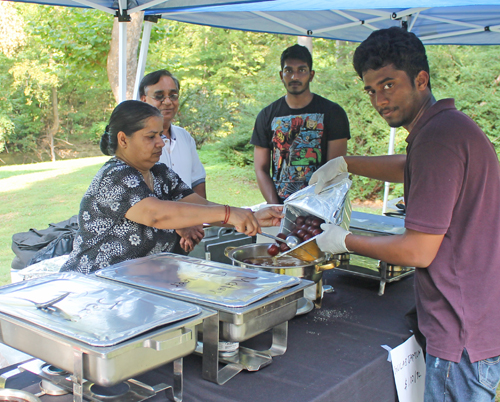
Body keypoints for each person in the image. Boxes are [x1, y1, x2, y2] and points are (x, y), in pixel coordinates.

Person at [310, 27, 500, 401]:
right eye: (370, 90)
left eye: (388, 85)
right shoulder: (447, 128)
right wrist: (346, 163)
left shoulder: (438, 140)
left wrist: (342, 241)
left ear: (420, 79)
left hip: (458, 331)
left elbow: (417, 252)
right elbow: (408, 165)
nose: (379, 99)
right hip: (478, 316)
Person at [61, 100, 281, 275]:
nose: (161, 142)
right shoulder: (115, 176)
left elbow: (198, 205)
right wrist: (228, 214)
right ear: (123, 139)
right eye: (151, 136)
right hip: (95, 287)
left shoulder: (160, 172)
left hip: (139, 286)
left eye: (160, 135)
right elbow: (157, 215)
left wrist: (249, 216)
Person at [251, 44, 350, 204]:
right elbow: (260, 169)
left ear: (311, 75)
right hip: (280, 207)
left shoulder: (333, 113)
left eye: (301, 70)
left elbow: (336, 169)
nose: (294, 76)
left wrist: (319, 207)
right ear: (281, 75)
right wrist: (276, 207)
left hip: (321, 207)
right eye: (288, 70)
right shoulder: (266, 115)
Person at [139, 69, 206, 253]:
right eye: (159, 96)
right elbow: (143, 194)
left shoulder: (184, 137)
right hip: (149, 241)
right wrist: (181, 225)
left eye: (173, 95)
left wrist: (196, 221)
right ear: (143, 100)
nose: (167, 102)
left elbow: (197, 181)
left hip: (188, 234)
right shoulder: (138, 142)